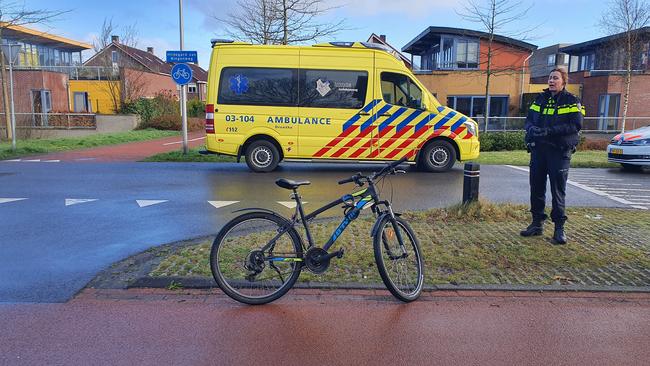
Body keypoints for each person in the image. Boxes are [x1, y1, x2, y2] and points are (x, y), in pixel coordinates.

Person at [520, 68, 584, 244]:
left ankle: (559, 229)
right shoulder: (540, 99)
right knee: (536, 188)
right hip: (539, 150)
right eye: (549, 78)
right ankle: (536, 224)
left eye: (555, 78)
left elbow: (576, 125)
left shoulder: (571, 101)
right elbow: (529, 120)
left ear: (563, 82)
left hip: (559, 151)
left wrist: (549, 131)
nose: (551, 81)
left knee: (558, 191)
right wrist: (532, 129)